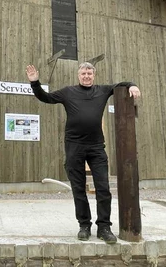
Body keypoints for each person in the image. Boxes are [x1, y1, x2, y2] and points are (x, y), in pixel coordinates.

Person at [26, 62, 141, 243]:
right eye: (83, 73)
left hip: (96, 147)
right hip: (74, 146)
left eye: (89, 73)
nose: (86, 76)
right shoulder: (68, 92)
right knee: (78, 189)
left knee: (103, 188)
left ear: (93, 75)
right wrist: (34, 82)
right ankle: (84, 225)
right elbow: (45, 97)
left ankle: (104, 227)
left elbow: (121, 84)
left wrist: (133, 85)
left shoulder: (102, 90)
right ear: (78, 75)